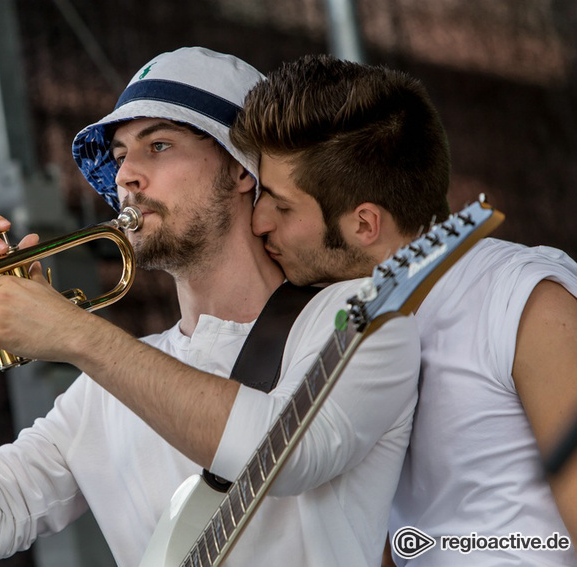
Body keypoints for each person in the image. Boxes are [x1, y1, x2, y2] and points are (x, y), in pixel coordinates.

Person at [0, 47, 420, 567]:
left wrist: (76, 335)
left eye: (158, 145)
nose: (126, 176)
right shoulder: (103, 390)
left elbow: (288, 452)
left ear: (241, 168)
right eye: (118, 155)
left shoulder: (360, 316)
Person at [229, 54, 577, 566]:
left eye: (281, 206)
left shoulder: (524, 301)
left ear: (365, 225)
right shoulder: (347, 318)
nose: (258, 221)